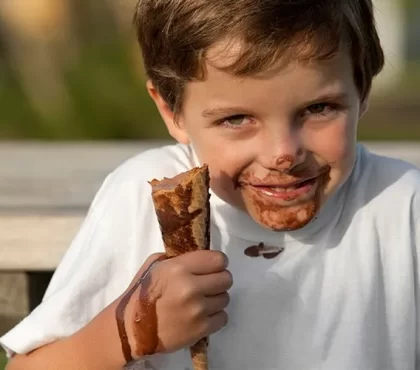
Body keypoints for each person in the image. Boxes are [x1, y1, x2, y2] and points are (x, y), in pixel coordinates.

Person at [2, 0, 420, 369]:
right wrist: (131, 331)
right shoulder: (141, 199)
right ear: (172, 111)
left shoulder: (404, 207)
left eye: (319, 108)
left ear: (362, 88)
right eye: (236, 119)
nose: (283, 152)